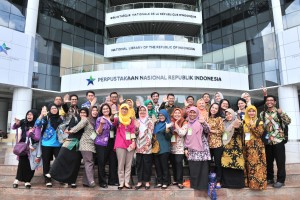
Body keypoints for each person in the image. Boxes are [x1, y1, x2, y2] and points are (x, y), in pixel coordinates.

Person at [48, 107, 84, 188]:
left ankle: (72, 181)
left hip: (80, 143)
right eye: (81, 112)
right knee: (61, 156)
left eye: (84, 113)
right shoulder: (73, 119)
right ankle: (52, 173)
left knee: (76, 162)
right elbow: (67, 128)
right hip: (70, 141)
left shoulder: (87, 120)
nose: (83, 114)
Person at [260, 95, 291, 188]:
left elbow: (288, 121)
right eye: (267, 100)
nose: (269, 102)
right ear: (266, 102)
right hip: (268, 141)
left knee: (280, 161)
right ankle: (270, 178)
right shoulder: (262, 113)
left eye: (271, 100)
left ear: (275, 102)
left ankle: (281, 180)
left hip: (278, 140)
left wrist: (281, 114)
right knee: (268, 161)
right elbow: (261, 127)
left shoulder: (279, 112)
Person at [64, 107, 97, 187]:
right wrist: (71, 131)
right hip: (86, 143)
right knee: (89, 162)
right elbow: (78, 126)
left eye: (96, 111)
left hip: (91, 143)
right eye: (93, 111)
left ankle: (86, 182)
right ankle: (91, 181)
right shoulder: (85, 120)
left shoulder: (93, 120)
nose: (94, 112)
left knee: (88, 162)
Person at [35, 104, 62, 187]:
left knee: (60, 160)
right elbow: (37, 124)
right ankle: (47, 179)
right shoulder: (46, 117)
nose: (54, 109)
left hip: (58, 143)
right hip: (46, 143)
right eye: (52, 108)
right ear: (50, 110)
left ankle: (58, 176)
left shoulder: (61, 118)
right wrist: (42, 114)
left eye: (55, 108)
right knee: (46, 162)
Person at [184, 106, 211, 190]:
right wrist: (185, 148)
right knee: (194, 168)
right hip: (191, 149)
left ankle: (202, 186)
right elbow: (186, 137)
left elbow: (207, 130)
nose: (192, 114)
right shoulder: (187, 123)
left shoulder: (201, 121)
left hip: (202, 148)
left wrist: (203, 123)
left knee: (202, 168)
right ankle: (195, 185)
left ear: (197, 113)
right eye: (190, 112)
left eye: (194, 112)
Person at [12, 110, 39, 189]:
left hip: (34, 146)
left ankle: (27, 181)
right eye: (28, 114)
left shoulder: (37, 124)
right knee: (22, 162)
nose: (29, 116)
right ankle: (17, 179)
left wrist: (31, 133)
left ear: (34, 116)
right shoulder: (23, 122)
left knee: (31, 164)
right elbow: (14, 127)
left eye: (31, 114)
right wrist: (16, 124)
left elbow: (38, 136)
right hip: (23, 146)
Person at [243, 105, 267, 190]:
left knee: (256, 166)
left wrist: (253, 126)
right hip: (246, 146)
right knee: (248, 166)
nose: (251, 113)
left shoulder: (259, 121)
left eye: (253, 111)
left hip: (256, 146)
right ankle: (248, 183)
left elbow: (259, 134)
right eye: (249, 111)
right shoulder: (244, 121)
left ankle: (257, 185)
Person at [113, 103, 136, 190]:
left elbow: (133, 131)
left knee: (128, 164)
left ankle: (127, 182)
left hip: (130, 144)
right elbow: (113, 122)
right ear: (120, 109)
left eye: (126, 109)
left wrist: (133, 142)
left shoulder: (131, 119)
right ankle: (121, 182)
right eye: (123, 109)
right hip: (120, 144)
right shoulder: (117, 119)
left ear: (128, 110)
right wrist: (114, 114)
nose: (124, 110)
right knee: (121, 164)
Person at [221, 108, 245, 188]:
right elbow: (223, 135)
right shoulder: (223, 123)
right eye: (226, 114)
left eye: (230, 114)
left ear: (233, 114)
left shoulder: (238, 122)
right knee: (226, 163)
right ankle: (227, 183)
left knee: (237, 163)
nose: (228, 116)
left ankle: (238, 184)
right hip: (227, 146)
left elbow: (243, 132)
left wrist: (238, 127)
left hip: (237, 147)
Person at [134, 105, 154, 190]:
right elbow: (135, 134)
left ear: (146, 111)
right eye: (140, 110)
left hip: (146, 146)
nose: (142, 112)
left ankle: (147, 181)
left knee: (147, 164)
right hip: (138, 145)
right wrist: (137, 128)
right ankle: (139, 181)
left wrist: (147, 144)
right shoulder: (136, 121)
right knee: (139, 164)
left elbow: (150, 133)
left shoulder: (150, 121)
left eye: (144, 110)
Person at [95, 103, 114, 188]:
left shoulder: (112, 118)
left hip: (111, 142)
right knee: (101, 162)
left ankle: (112, 181)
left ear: (109, 109)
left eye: (107, 108)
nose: (106, 110)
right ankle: (102, 182)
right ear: (101, 111)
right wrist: (101, 124)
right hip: (101, 143)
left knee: (112, 161)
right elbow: (98, 132)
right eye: (104, 109)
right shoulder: (99, 119)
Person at [153, 109, 173, 189]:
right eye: (160, 115)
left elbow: (169, 138)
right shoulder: (156, 124)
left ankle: (165, 182)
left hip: (164, 148)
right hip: (156, 149)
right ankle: (159, 182)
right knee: (157, 166)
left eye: (163, 115)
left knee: (164, 166)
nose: (161, 117)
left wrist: (167, 130)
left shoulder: (168, 124)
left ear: (166, 116)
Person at [207, 103, 224, 189]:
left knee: (218, 164)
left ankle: (218, 181)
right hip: (208, 144)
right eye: (213, 107)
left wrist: (211, 130)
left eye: (216, 108)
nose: (213, 109)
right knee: (208, 163)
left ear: (218, 110)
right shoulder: (207, 118)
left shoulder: (219, 118)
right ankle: (209, 180)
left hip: (217, 144)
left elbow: (221, 131)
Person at [171, 108, 188, 189]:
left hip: (180, 147)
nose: (177, 114)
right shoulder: (170, 122)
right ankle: (175, 179)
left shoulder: (184, 122)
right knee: (173, 164)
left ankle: (180, 181)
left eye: (178, 113)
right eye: (175, 113)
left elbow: (182, 133)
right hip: (171, 147)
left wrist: (176, 124)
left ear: (181, 114)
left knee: (178, 164)